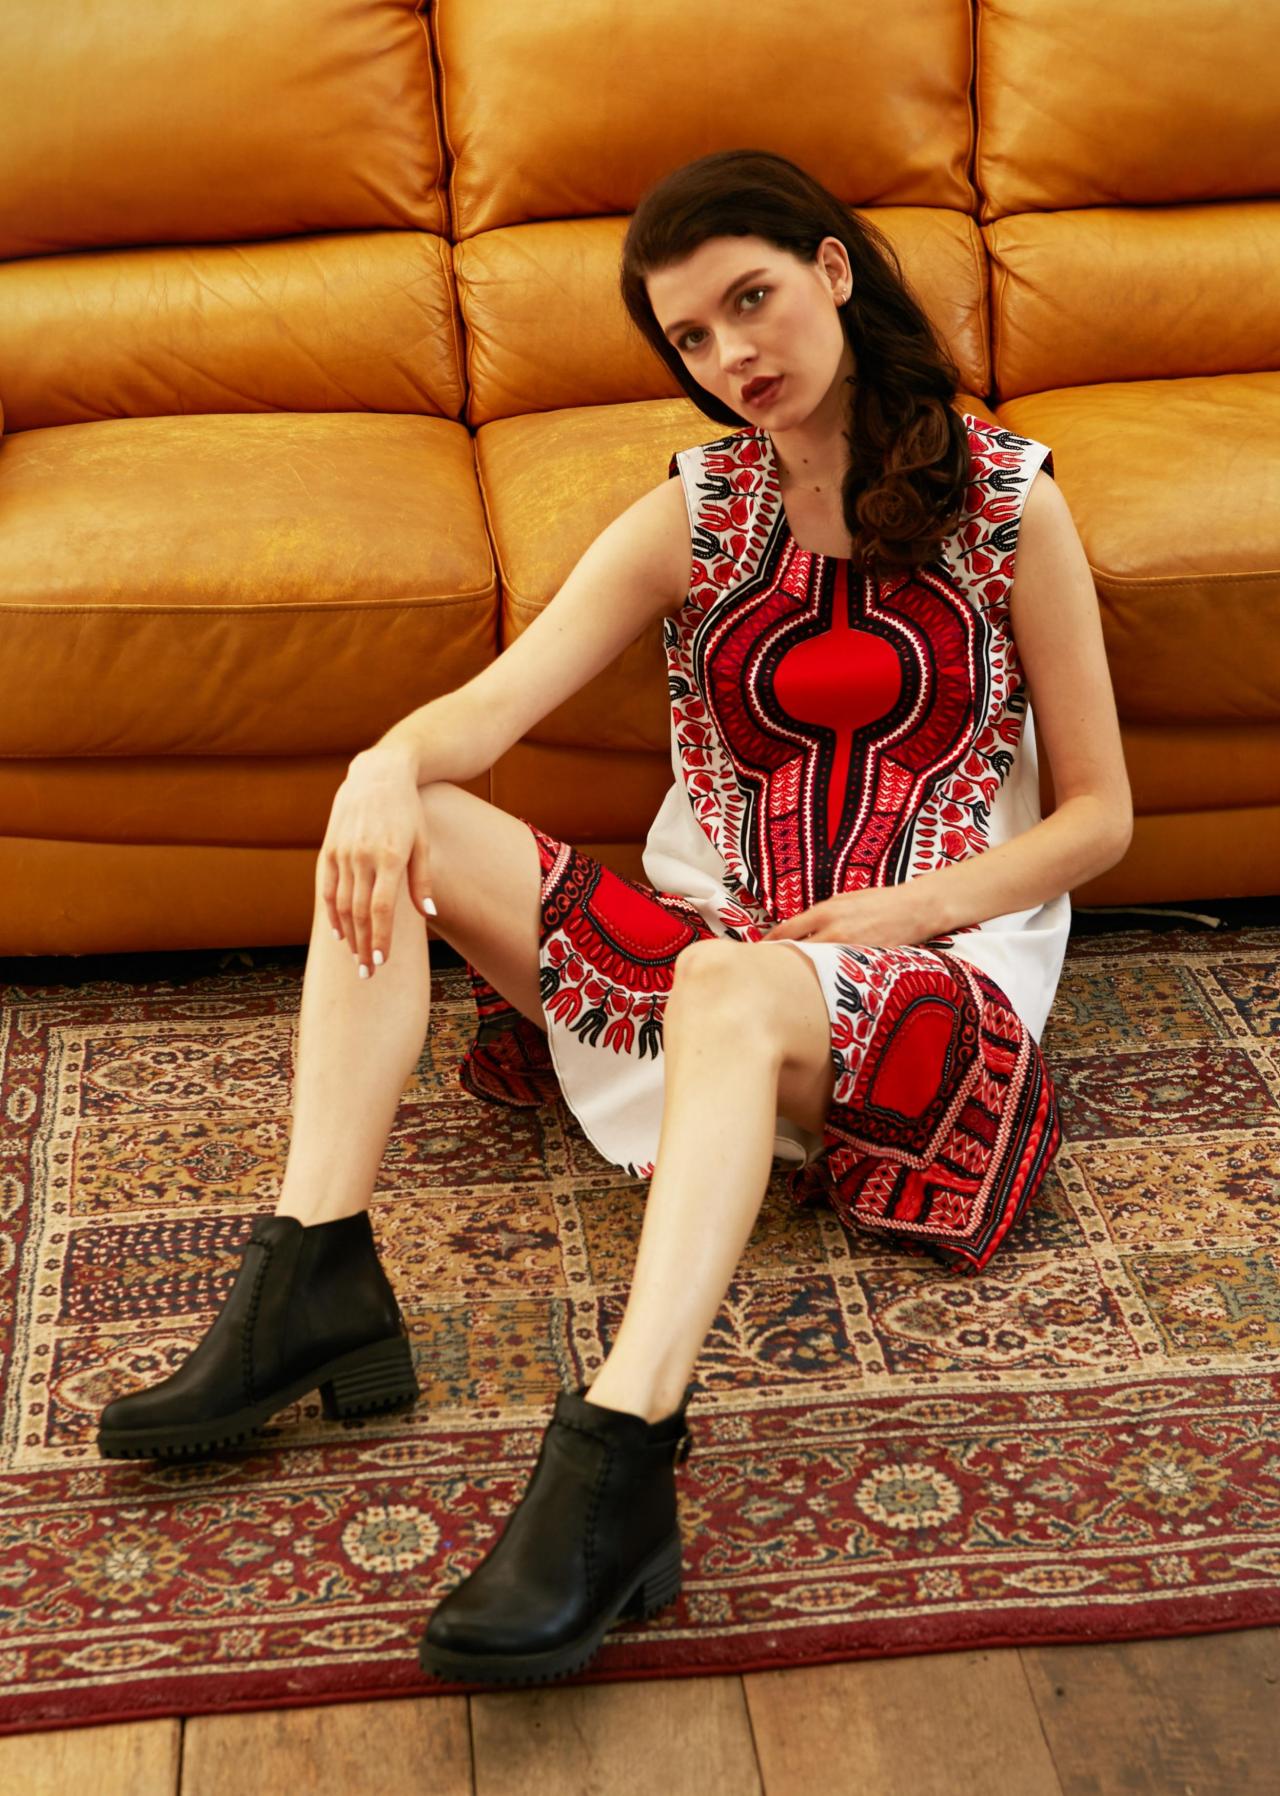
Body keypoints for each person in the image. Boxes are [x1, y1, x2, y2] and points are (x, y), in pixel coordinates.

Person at [96, 147, 1133, 1688]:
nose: (733, 358)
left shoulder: (1006, 504)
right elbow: (492, 708)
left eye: (752, 301)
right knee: (402, 824)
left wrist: (897, 913)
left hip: (920, 996)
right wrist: (378, 771)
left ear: (834, 268)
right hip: (711, 970)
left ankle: (623, 1445)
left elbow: (1100, 818)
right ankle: (312, 1271)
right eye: (693, 337)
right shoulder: (698, 509)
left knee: (726, 984)